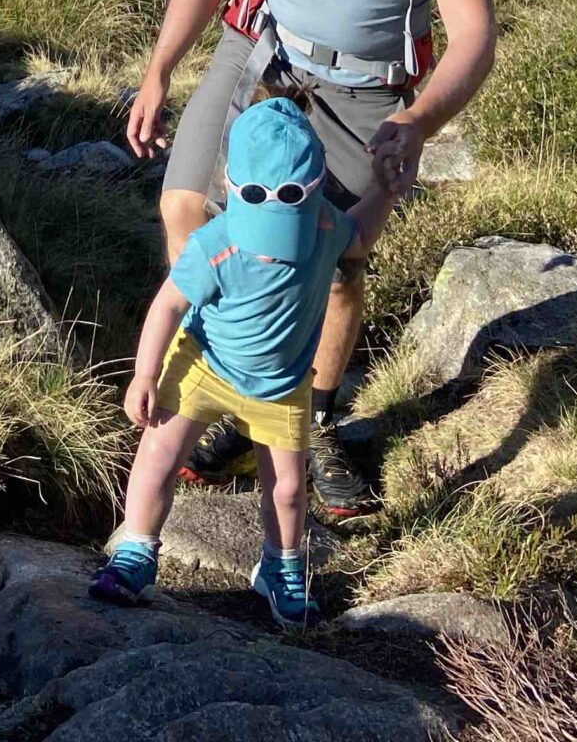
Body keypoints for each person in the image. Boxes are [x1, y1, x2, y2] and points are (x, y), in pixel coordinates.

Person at [126, 0, 499, 520]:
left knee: (336, 260)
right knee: (186, 210)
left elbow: (474, 37)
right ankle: (221, 378)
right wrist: (160, 68)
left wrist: (420, 122)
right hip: (259, 47)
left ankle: (315, 414)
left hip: (366, 85)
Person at [89, 95, 396, 630]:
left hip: (281, 386)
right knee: (160, 452)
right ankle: (136, 549)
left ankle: (280, 568)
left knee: (288, 488)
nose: (273, 250)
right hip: (204, 364)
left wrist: (386, 190)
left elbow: (361, 233)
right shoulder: (218, 243)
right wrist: (144, 374)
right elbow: (168, 305)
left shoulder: (323, 227)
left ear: (317, 192)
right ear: (232, 191)